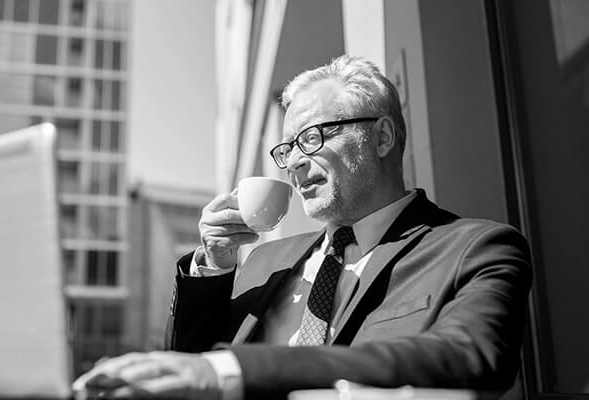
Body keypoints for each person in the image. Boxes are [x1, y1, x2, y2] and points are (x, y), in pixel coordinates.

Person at [73, 55, 532, 400]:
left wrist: (238, 370)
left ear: (382, 137)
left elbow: (470, 360)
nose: (292, 161)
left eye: (311, 138)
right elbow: (187, 366)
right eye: (287, 147)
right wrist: (214, 266)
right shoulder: (264, 262)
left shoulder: (476, 249)